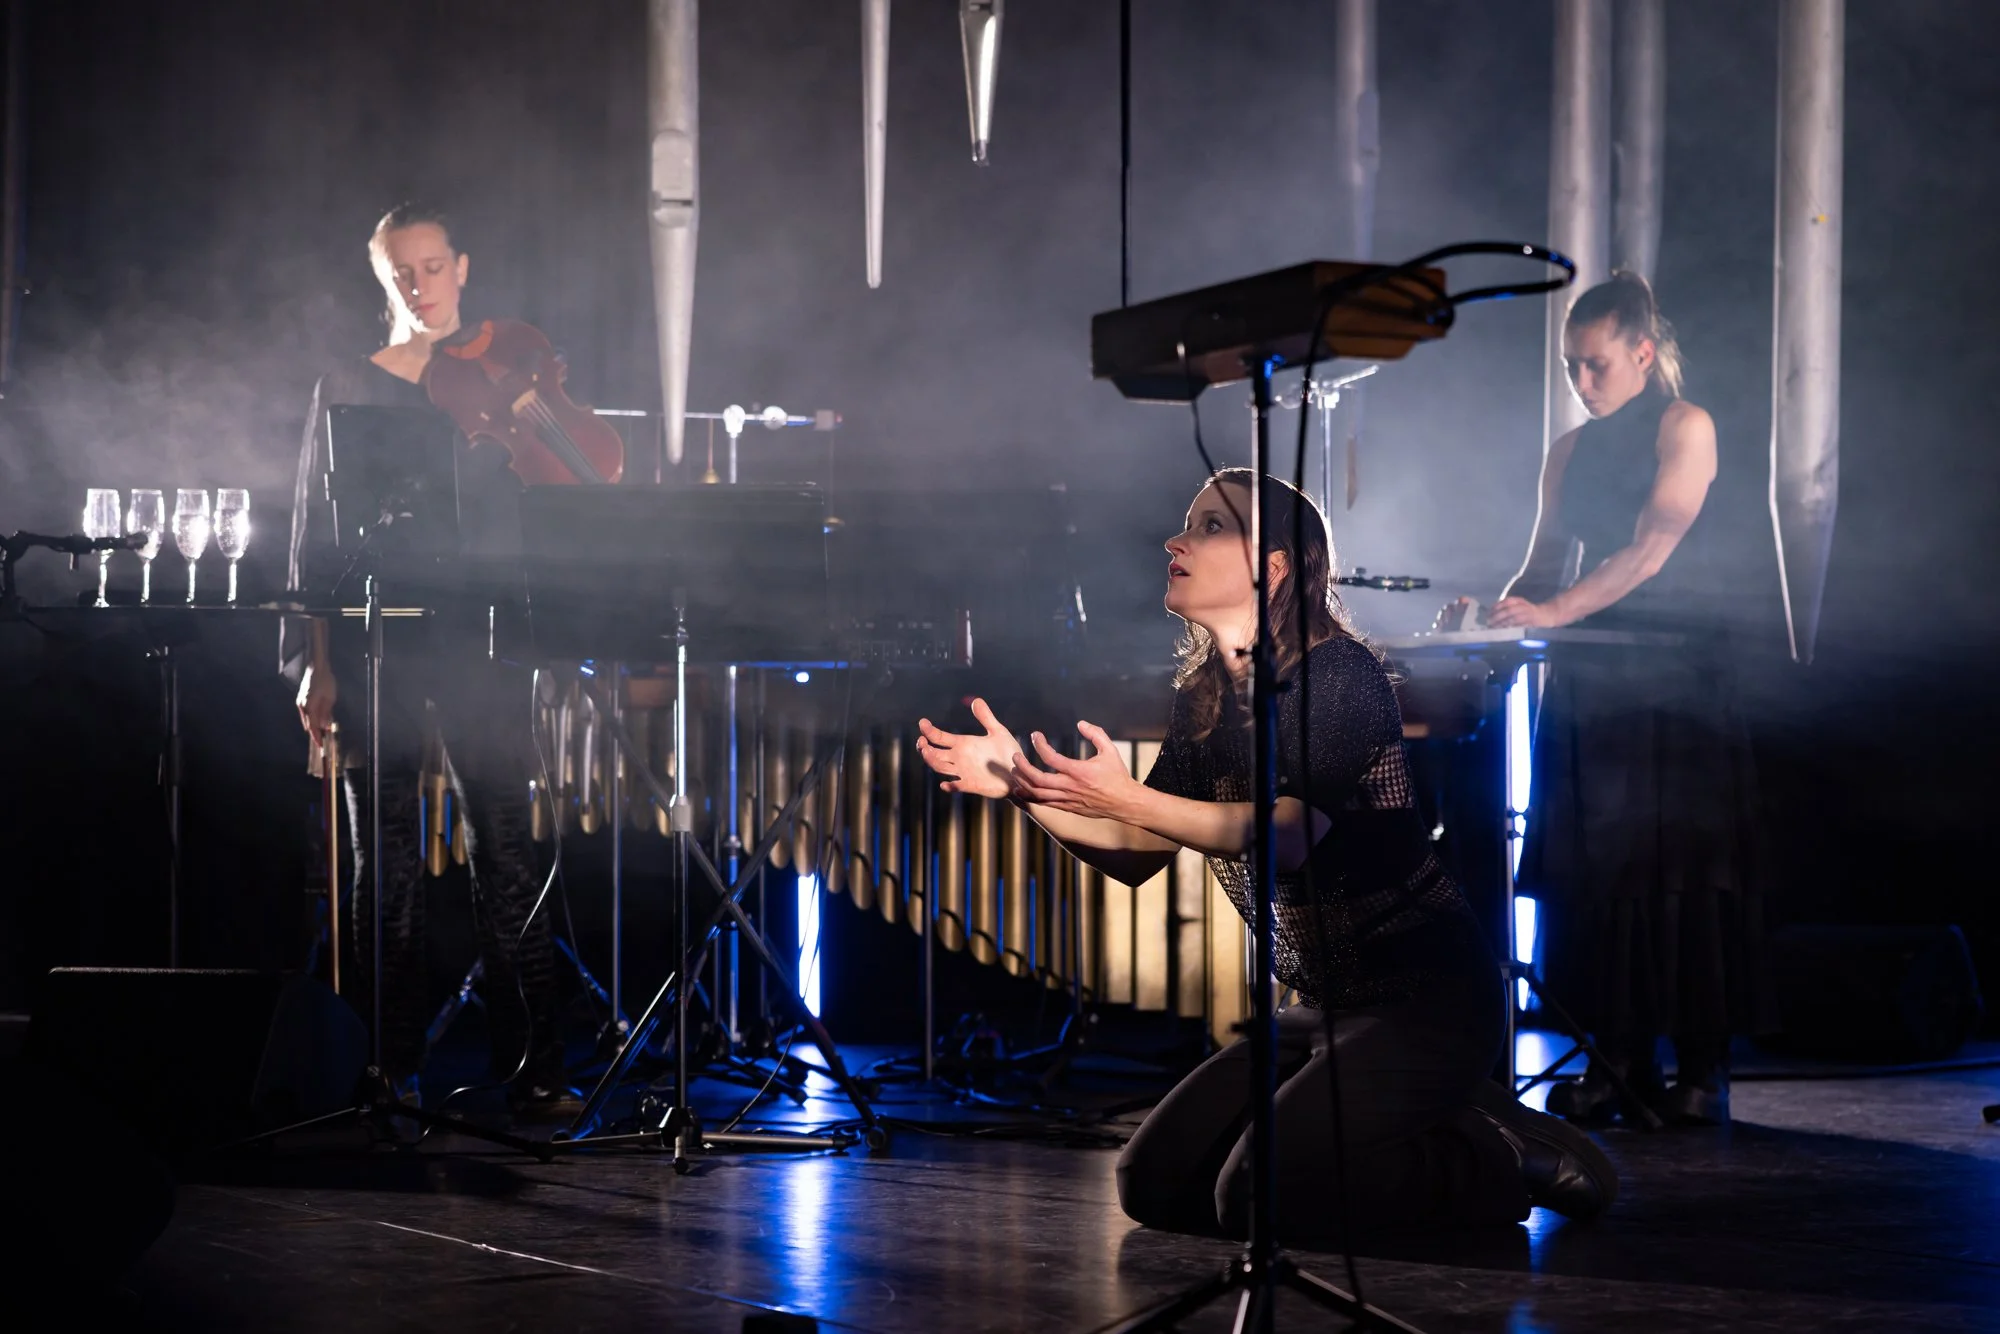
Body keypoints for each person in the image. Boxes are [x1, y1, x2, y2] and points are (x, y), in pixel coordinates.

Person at [917, 468, 1618, 1245]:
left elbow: (1288, 835)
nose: (1175, 540)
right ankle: (1430, 1119)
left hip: (1429, 1002)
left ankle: (1493, 1151)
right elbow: (1138, 851)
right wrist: (1025, 789)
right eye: (1187, 524)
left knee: (1260, 1197)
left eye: (1211, 526)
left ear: (1275, 567)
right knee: (1152, 1184)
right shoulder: (1207, 694)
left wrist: (1126, 798)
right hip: (1319, 1006)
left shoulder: (1338, 676)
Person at [283, 204, 569, 1110]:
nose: (421, 285)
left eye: (434, 266)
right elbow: (315, 541)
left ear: (462, 267)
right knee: (387, 866)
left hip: (483, 642)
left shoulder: (501, 380)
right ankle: (385, 1065)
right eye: (403, 272)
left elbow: (553, 509)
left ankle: (534, 1068)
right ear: (384, 281)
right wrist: (316, 662)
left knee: (510, 855)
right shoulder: (347, 385)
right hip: (382, 648)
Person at [1486, 271, 1765, 1126]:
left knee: (1678, 873)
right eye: (1572, 366)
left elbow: (1652, 549)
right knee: (1598, 874)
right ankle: (1617, 1057)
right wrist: (1494, 612)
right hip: (1597, 680)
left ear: (1644, 352)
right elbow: (1539, 566)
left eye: (1596, 364)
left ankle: (1702, 1067)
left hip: (1681, 683)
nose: (1582, 380)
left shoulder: (1687, 426)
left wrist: (1554, 612)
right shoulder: (1568, 449)